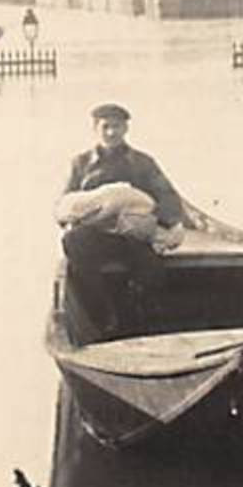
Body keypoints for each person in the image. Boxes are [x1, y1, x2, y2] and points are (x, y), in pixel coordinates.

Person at [56, 103, 185, 342]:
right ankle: (104, 317)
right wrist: (70, 219)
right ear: (95, 129)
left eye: (116, 127)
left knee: (151, 271)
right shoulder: (80, 164)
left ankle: (140, 321)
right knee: (73, 243)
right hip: (96, 236)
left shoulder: (143, 163)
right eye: (105, 127)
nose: (111, 133)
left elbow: (167, 196)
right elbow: (63, 205)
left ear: (126, 128)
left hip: (132, 235)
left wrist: (173, 224)